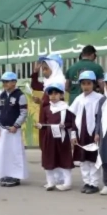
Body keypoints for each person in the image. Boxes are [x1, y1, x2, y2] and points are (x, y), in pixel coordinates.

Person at [31, 54, 67, 186]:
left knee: (56, 147)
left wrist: (44, 102)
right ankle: (54, 178)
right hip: (45, 117)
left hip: (54, 119)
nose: (44, 71)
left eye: (46, 69)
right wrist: (35, 72)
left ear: (54, 67)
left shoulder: (58, 82)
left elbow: (57, 103)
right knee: (48, 147)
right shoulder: (49, 82)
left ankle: (60, 178)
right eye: (43, 69)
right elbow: (35, 85)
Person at [35, 81, 74, 191]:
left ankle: (67, 182)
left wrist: (64, 126)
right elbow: (45, 123)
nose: (53, 96)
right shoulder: (47, 108)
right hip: (50, 138)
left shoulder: (66, 108)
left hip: (62, 139)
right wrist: (40, 126)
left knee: (64, 159)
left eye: (56, 93)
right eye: (50, 93)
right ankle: (50, 182)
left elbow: (71, 123)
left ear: (61, 95)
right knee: (49, 158)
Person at [69, 70, 102, 194]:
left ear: (93, 84)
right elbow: (73, 118)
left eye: (89, 83)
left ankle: (94, 183)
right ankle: (86, 182)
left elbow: (99, 117)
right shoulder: (78, 99)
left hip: (93, 134)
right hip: (81, 134)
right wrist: (73, 134)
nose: (86, 86)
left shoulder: (99, 98)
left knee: (93, 159)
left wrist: (98, 133)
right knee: (83, 160)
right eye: (83, 84)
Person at [0, 71, 28, 187]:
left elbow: (24, 113)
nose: (4, 84)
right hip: (4, 130)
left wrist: (16, 125)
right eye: (3, 81)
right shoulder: (2, 95)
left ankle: (15, 177)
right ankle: (5, 174)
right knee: (4, 153)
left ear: (14, 82)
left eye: (7, 81)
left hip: (14, 130)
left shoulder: (20, 95)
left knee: (15, 153)